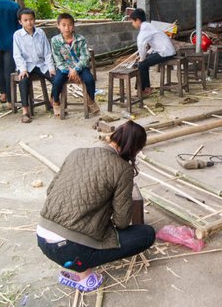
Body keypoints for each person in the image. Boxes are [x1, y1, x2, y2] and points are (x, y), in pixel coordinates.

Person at [36, 120, 156, 293]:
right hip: (71, 252)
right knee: (146, 234)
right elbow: (122, 222)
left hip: (42, 239)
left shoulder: (77, 153)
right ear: (134, 148)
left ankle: (79, 266)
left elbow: (50, 191)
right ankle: (83, 274)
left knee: (86, 228)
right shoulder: (122, 169)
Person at [50, 13, 100, 116]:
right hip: (64, 68)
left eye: (70, 25)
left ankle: (90, 99)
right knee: (57, 81)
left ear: (73, 26)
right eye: (63, 25)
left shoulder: (80, 39)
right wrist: (69, 71)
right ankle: (55, 101)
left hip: (80, 67)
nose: (67, 28)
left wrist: (76, 69)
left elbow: (85, 56)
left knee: (90, 80)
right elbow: (57, 59)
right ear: (58, 26)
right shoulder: (55, 40)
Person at [12, 8, 56, 123]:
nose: (29, 22)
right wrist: (22, 69)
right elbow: (17, 55)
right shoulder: (17, 35)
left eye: (31, 19)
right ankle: (25, 111)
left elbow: (47, 52)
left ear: (34, 20)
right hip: (26, 66)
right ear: (20, 22)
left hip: (41, 64)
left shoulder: (40, 33)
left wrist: (51, 68)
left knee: (57, 79)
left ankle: (53, 101)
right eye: (25, 20)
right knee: (23, 81)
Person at [130, 8, 176, 95]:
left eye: (133, 21)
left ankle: (144, 89)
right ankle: (144, 88)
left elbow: (141, 44)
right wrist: (144, 56)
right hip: (166, 50)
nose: (132, 24)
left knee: (142, 64)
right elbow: (154, 44)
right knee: (143, 63)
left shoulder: (145, 29)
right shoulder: (148, 26)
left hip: (165, 52)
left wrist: (142, 58)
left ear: (138, 20)